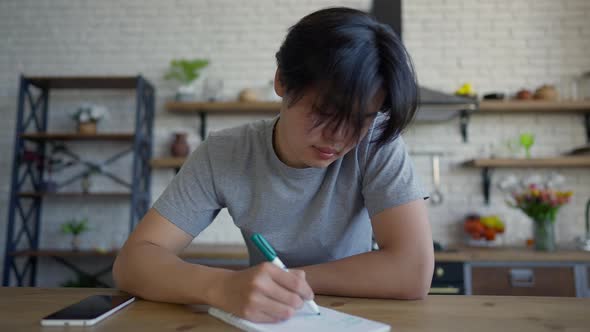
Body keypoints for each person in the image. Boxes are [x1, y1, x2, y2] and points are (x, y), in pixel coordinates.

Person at [113, 7, 434, 323]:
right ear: (282, 81)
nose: (339, 138)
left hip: (359, 316)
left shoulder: (376, 142)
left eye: (360, 120)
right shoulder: (225, 153)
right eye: (324, 112)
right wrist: (222, 286)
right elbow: (133, 262)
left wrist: (282, 280)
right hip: (266, 319)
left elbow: (413, 272)